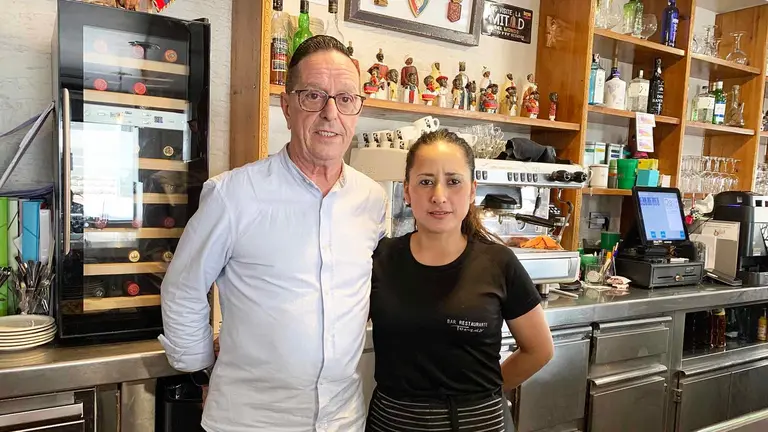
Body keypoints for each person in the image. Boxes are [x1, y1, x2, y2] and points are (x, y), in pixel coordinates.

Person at [159, 35, 386, 432]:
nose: (330, 113)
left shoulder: (371, 199)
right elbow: (183, 289)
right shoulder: (233, 195)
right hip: (249, 421)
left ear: (357, 110)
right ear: (286, 106)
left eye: (345, 99)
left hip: (342, 419)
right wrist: (200, 372)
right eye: (313, 96)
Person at [366, 129, 554, 432]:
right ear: (407, 191)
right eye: (425, 181)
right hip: (394, 423)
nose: (439, 195)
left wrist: (480, 396)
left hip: (475, 423)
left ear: (471, 191)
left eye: (453, 182)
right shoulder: (381, 259)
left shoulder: (499, 263)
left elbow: (539, 349)